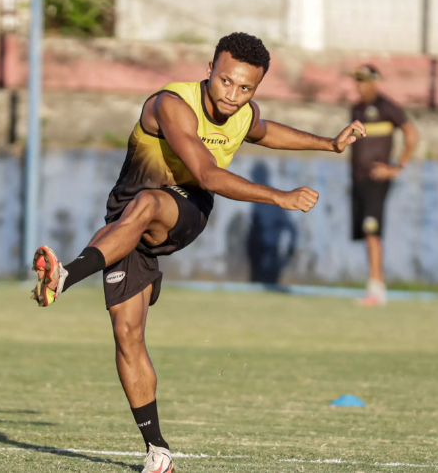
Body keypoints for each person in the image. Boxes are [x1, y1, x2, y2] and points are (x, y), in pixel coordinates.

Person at [30, 32, 366, 473]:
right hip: (127, 222)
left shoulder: (243, 113)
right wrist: (279, 195)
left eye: (246, 88)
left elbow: (252, 141)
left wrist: (329, 144)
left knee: (149, 204)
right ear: (209, 69)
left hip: (183, 210)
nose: (233, 95)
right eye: (226, 82)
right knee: (127, 335)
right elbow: (209, 170)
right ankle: (158, 451)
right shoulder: (171, 105)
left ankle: (66, 276)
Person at [349, 65, 418, 307]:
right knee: (366, 235)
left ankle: (377, 288)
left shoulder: (387, 107)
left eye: (365, 80)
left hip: (376, 181)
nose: (360, 85)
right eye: (358, 80)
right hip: (358, 180)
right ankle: (374, 284)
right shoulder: (356, 108)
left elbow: (411, 134)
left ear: (376, 81)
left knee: (372, 232)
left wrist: (397, 167)